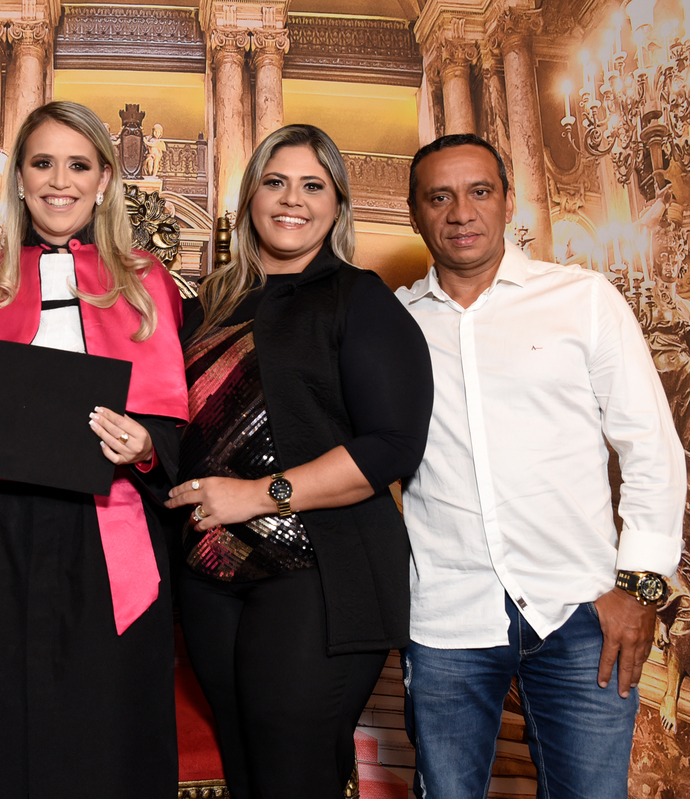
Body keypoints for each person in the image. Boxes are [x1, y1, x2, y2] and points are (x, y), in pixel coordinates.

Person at [0, 100, 189, 799]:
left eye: (78, 165)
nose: (61, 181)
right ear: (21, 179)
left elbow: (173, 429)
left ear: (104, 180)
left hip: (104, 532)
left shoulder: (146, 282)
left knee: (98, 729)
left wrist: (145, 443)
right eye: (43, 163)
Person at [396, 133, 686, 798]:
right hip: (447, 615)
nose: (461, 212)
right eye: (439, 197)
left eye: (479, 192)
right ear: (415, 213)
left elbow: (650, 446)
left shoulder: (582, 300)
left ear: (508, 201)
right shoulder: (393, 323)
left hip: (584, 611)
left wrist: (641, 588)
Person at [164, 124, 434, 798]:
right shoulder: (203, 309)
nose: (293, 199)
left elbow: (392, 444)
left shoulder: (358, 298)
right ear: (250, 198)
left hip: (320, 575)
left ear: (337, 204)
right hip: (209, 577)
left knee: (294, 774)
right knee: (246, 771)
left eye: (313, 185)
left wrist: (259, 495)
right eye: (275, 182)